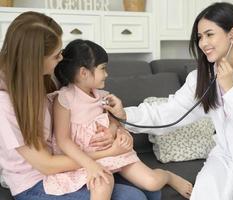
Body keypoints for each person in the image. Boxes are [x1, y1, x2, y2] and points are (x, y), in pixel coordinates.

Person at [104, 2, 233, 200]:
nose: (203, 43)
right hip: (226, 157)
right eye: (200, 37)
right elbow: (168, 111)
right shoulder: (202, 78)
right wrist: (125, 114)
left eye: (209, 34)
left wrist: (230, 90)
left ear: (232, 34)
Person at [0, 11, 161, 200]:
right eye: (55, 55)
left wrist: (117, 128)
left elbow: (92, 112)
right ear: (35, 60)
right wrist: (107, 153)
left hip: (70, 166)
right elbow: (47, 165)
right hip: (36, 181)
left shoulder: (46, 78)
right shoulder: (5, 105)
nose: (61, 59)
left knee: (152, 189)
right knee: (132, 197)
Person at [46, 38, 193, 199]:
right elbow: (63, 140)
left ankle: (168, 176)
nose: (107, 74)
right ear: (83, 72)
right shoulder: (64, 99)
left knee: (152, 183)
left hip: (115, 153)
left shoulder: (103, 96)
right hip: (83, 160)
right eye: (103, 68)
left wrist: (113, 129)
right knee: (102, 183)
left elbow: (114, 120)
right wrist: (89, 164)